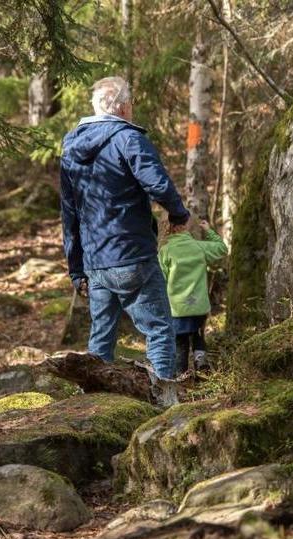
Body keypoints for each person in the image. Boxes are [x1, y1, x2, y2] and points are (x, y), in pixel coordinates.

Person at [60, 76, 190, 404]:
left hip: (96, 262)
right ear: (121, 106)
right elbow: (158, 184)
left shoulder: (71, 146)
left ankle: (92, 407)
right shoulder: (129, 138)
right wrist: (178, 215)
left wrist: (76, 268)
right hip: (133, 256)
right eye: (131, 102)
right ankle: (163, 406)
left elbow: (69, 211)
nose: (132, 108)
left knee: (101, 339)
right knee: (159, 330)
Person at [159, 219, 228, 374]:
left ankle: (181, 376)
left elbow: (160, 280)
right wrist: (209, 231)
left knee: (180, 342)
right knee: (198, 335)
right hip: (199, 306)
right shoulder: (199, 247)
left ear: (167, 229)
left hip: (177, 309)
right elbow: (222, 249)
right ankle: (201, 363)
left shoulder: (166, 250)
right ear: (185, 227)